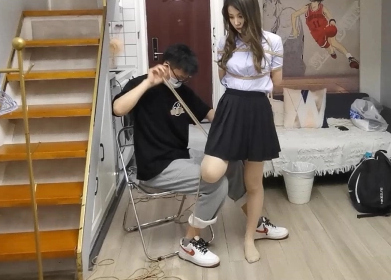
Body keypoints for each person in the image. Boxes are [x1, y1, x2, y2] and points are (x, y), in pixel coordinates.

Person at [111, 43, 288, 268]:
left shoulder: (182, 92)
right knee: (216, 183)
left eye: (186, 78)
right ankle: (189, 243)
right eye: (180, 76)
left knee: (231, 163)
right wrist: (148, 82)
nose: (182, 81)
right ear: (166, 66)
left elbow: (211, 114)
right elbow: (118, 109)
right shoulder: (140, 84)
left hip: (181, 156)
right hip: (156, 167)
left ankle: (257, 224)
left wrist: (239, 126)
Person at [200, 0, 290, 264]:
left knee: (253, 182)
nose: (236, 22)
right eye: (231, 17)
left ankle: (251, 236)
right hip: (230, 105)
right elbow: (222, 77)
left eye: (240, 16)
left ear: (252, 14)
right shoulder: (223, 42)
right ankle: (201, 222)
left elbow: (277, 82)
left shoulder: (273, 41)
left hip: (258, 109)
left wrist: (258, 59)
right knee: (210, 171)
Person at [290, 0, 360, 69]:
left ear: (319, 2)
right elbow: (293, 15)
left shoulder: (322, 7)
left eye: (315, 2)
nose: (313, 4)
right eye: (312, 2)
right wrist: (294, 29)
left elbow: (329, 15)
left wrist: (332, 20)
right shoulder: (306, 8)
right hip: (316, 33)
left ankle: (350, 58)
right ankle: (332, 52)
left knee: (334, 42)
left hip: (325, 28)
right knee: (328, 48)